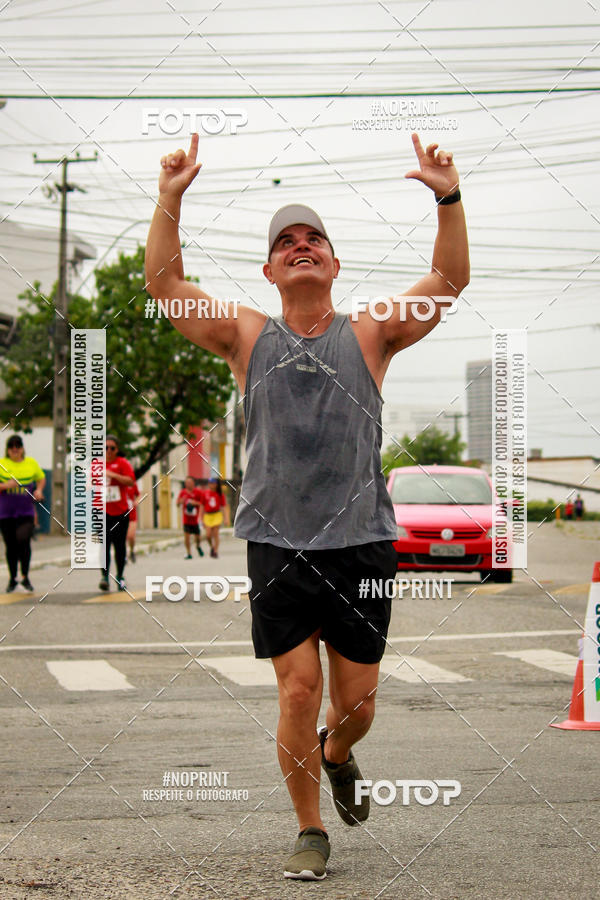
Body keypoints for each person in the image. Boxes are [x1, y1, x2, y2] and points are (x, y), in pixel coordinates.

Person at [145, 131, 469, 880]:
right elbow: (164, 287)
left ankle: (338, 753)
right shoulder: (245, 337)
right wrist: (171, 196)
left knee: (355, 707)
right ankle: (309, 828)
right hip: (277, 543)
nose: (300, 245)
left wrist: (447, 196)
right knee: (298, 689)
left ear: (332, 261)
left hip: (362, 544)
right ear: (268, 268)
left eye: (313, 237)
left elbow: (448, 281)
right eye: (285, 241)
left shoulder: (371, 332)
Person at [0, 434, 45, 592]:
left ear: (22, 448)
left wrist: (39, 490)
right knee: (10, 546)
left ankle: (25, 576)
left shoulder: (31, 463)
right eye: (11, 446)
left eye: (18, 446)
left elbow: (41, 478)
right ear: (7, 449)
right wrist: (6, 485)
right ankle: (13, 578)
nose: (15, 449)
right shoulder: (2, 464)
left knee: (23, 539)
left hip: (26, 511)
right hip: (5, 513)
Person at [100, 435, 135, 592]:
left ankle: (120, 576)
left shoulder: (123, 463)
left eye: (112, 448)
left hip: (120, 512)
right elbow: (88, 481)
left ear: (117, 449)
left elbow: (130, 481)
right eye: (106, 447)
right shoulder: (97, 465)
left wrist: (113, 475)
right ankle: (104, 577)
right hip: (102, 512)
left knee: (119, 546)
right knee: (104, 546)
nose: (108, 451)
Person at [200, 477, 230, 559]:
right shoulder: (205, 493)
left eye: (213, 483)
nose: (211, 485)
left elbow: (224, 507)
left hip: (217, 515)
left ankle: (216, 551)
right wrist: (200, 518)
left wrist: (226, 518)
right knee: (208, 535)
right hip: (207, 516)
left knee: (216, 534)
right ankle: (212, 547)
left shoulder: (220, 494)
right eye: (210, 483)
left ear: (216, 485)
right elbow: (202, 506)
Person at [176, 475, 205, 558]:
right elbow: (177, 504)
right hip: (186, 519)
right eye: (186, 482)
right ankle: (189, 553)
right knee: (187, 537)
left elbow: (203, 504)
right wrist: (181, 501)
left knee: (198, 538)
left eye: (189, 482)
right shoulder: (183, 492)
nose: (187, 484)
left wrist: (194, 503)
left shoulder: (198, 492)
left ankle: (198, 546)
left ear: (193, 483)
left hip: (196, 519)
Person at [126, 480, 140, 563]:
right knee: (123, 537)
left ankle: (132, 551)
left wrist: (136, 501)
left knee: (131, 536)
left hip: (131, 513)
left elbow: (138, 494)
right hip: (120, 513)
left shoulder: (132, 483)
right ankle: (124, 556)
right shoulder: (115, 482)